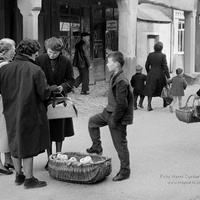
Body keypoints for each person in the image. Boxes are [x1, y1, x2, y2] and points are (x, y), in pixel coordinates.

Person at [0, 38, 56, 188]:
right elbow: (44, 93)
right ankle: (29, 179)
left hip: (10, 110)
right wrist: (52, 89)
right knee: (28, 143)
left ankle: (19, 176)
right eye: (36, 53)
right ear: (32, 53)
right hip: (30, 110)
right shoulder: (35, 69)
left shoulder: (4, 69)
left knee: (15, 140)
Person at [86, 51, 133, 181]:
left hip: (118, 117)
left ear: (117, 64)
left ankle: (125, 171)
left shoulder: (121, 80)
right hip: (109, 112)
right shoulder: (115, 75)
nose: (107, 64)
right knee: (92, 122)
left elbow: (122, 104)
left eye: (109, 62)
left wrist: (114, 120)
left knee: (120, 145)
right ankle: (97, 146)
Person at [35, 37, 75, 170]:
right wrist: (46, 88)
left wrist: (63, 86)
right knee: (47, 131)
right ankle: (49, 158)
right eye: (50, 52)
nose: (52, 55)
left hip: (59, 100)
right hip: (45, 99)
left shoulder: (66, 61)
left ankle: (58, 156)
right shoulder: (40, 60)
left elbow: (71, 79)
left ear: (60, 51)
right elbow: (36, 79)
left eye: (55, 53)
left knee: (59, 130)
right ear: (46, 49)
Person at [0, 38, 16, 175]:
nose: (14, 53)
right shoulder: (4, 65)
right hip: (2, 100)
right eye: (12, 51)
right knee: (4, 129)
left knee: (5, 130)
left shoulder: (5, 64)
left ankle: (8, 160)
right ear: (4, 52)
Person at [144, 42, 170, 111]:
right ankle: (165, 103)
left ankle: (149, 104)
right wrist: (168, 76)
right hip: (160, 74)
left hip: (151, 73)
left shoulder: (150, 55)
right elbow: (165, 67)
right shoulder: (163, 56)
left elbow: (146, 65)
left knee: (150, 89)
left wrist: (149, 72)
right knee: (163, 88)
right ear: (161, 48)